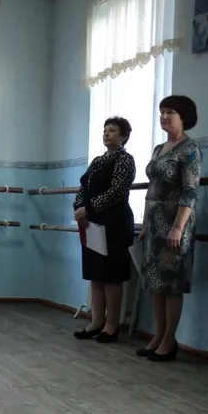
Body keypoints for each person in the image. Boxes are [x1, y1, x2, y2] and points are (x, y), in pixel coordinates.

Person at [136, 95, 201, 362]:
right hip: (154, 225)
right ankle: (158, 335)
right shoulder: (158, 149)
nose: (163, 116)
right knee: (156, 282)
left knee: (172, 284)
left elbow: (190, 191)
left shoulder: (190, 149)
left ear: (183, 117)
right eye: (162, 111)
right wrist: (144, 224)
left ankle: (169, 340)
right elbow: (152, 190)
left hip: (176, 225)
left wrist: (177, 228)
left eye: (170, 112)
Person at [73, 117, 136, 343]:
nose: (107, 134)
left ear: (123, 136)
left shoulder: (125, 160)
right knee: (96, 275)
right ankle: (96, 321)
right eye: (105, 130)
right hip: (92, 223)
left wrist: (88, 209)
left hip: (115, 223)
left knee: (111, 276)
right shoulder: (98, 161)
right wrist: (78, 208)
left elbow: (117, 191)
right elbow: (84, 187)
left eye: (113, 130)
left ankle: (111, 325)